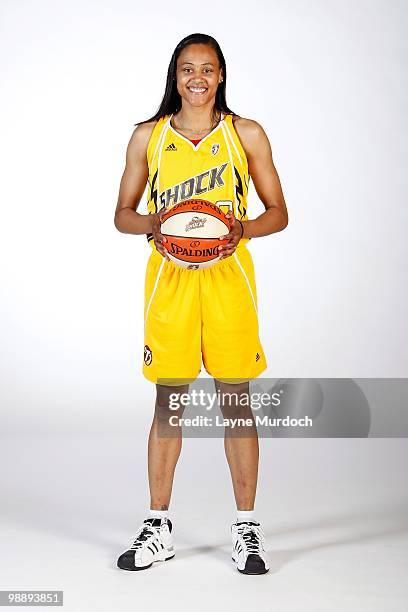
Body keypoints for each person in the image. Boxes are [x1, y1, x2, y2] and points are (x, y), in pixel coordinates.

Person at [114, 33, 288, 575]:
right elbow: (123, 213)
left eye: (207, 69)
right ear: (175, 76)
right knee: (170, 402)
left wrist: (240, 230)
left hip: (229, 279)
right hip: (170, 282)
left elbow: (278, 211)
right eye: (187, 69)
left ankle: (247, 529)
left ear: (220, 76)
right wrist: (158, 226)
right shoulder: (149, 136)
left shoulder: (246, 134)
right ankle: (158, 527)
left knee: (236, 401)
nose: (197, 78)